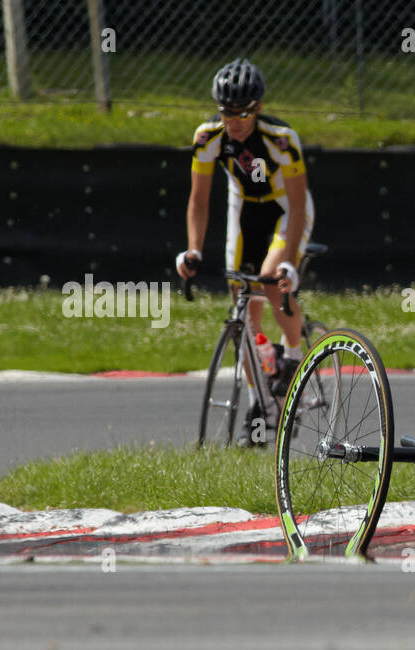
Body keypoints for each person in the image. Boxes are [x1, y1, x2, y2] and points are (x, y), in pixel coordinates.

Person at [175, 58, 315, 446]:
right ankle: (260, 406)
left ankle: (291, 355)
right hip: (245, 210)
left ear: (257, 108)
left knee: (271, 282)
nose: (234, 120)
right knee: (242, 311)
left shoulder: (281, 139)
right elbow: (199, 201)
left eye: (243, 113)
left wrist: (289, 259)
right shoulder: (207, 138)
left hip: (286, 208)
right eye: (226, 112)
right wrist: (193, 251)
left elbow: (300, 202)